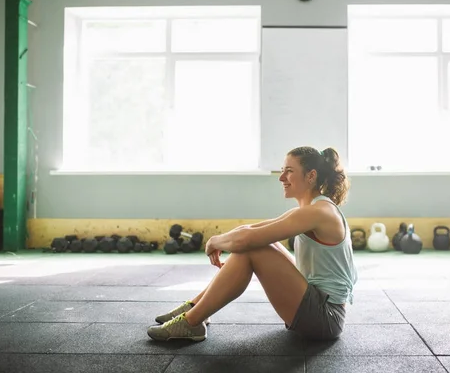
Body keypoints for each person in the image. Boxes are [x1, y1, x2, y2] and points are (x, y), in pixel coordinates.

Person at [147, 146, 358, 342]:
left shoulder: (318, 212)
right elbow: (251, 229)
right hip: (318, 306)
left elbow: (247, 239)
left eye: (289, 171)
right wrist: (221, 240)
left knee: (252, 248)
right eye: (282, 170)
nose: (282, 178)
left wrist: (216, 241)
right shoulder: (310, 209)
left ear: (311, 176)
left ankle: (192, 322)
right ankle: (195, 308)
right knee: (259, 243)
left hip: (325, 318)